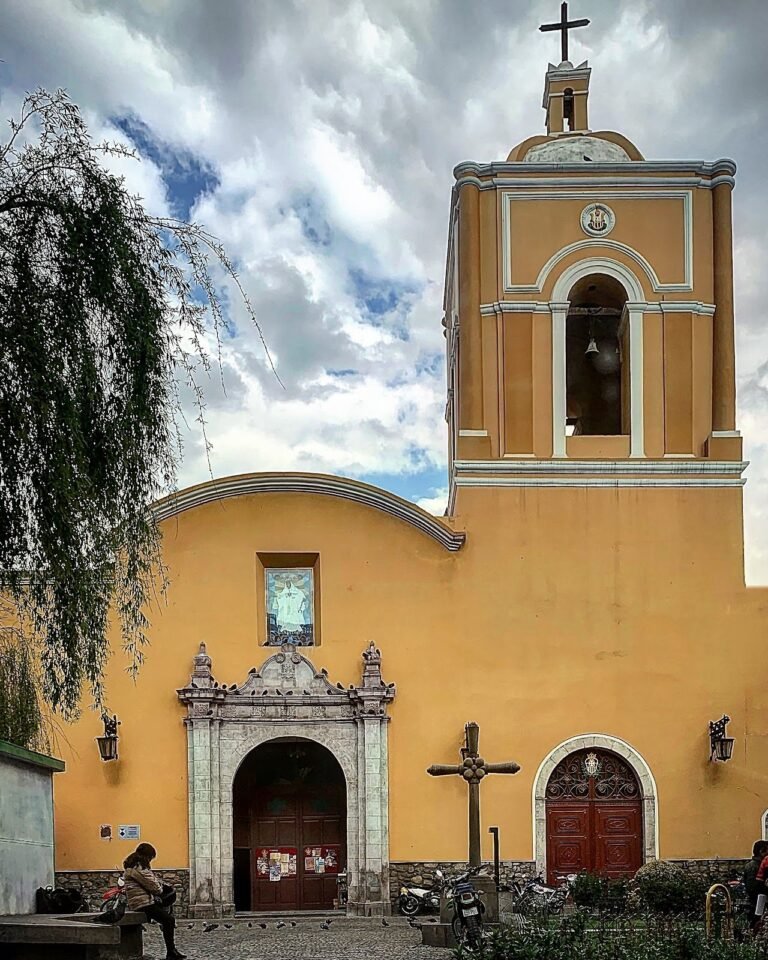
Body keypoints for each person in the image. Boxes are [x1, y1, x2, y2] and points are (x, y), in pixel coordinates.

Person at [123, 843, 186, 960]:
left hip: (141, 901)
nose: (151, 860)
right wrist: (162, 888)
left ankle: (171, 950)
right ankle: (171, 951)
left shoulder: (134, 866)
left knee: (167, 916)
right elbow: (154, 887)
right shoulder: (139, 868)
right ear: (147, 856)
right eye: (151, 857)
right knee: (169, 920)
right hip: (142, 903)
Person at [748, 839, 768, 933]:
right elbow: (753, 887)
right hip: (757, 900)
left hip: (760, 899)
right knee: (757, 921)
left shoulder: (759, 864)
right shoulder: (753, 866)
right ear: (761, 851)